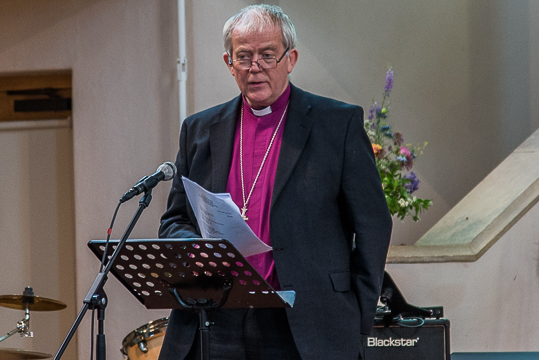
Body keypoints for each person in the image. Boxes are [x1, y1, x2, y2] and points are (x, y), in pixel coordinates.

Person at [158, 4, 392, 360]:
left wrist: (356, 312)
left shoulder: (337, 124)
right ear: (229, 62)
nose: (256, 67)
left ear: (290, 58)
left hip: (306, 322)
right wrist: (198, 250)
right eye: (244, 56)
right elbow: (174, 222)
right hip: (216, 318)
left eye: (268, 55)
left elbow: (374, 224)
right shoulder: (200, 130)